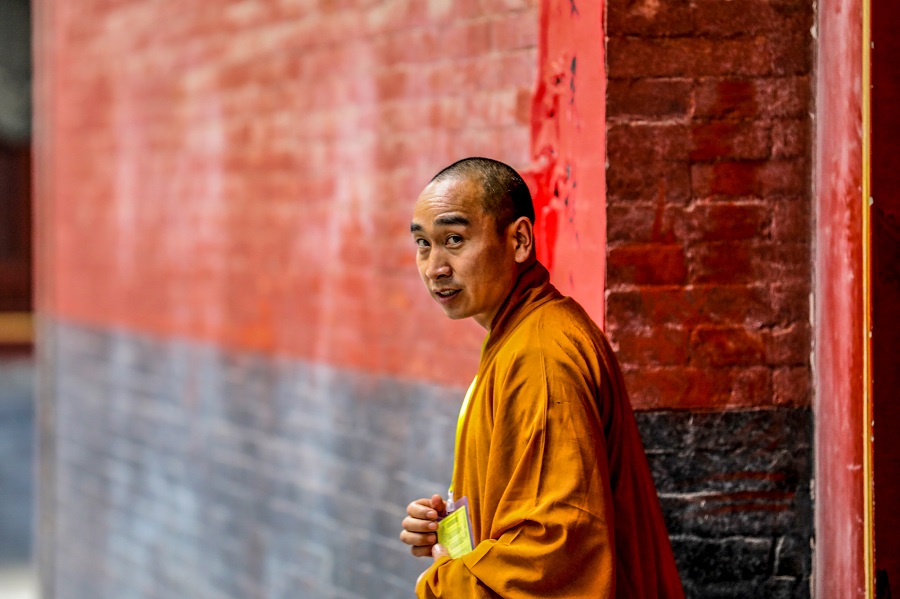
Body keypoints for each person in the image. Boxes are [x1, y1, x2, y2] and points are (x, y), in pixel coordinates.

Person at [400, 157, 684, 598]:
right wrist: (451, 534)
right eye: (424, 244)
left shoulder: (541, 354)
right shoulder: (519, 335)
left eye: (454, 240)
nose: (435, 266)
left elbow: (554, 549)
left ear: (518, 240)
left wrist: (443, 583)